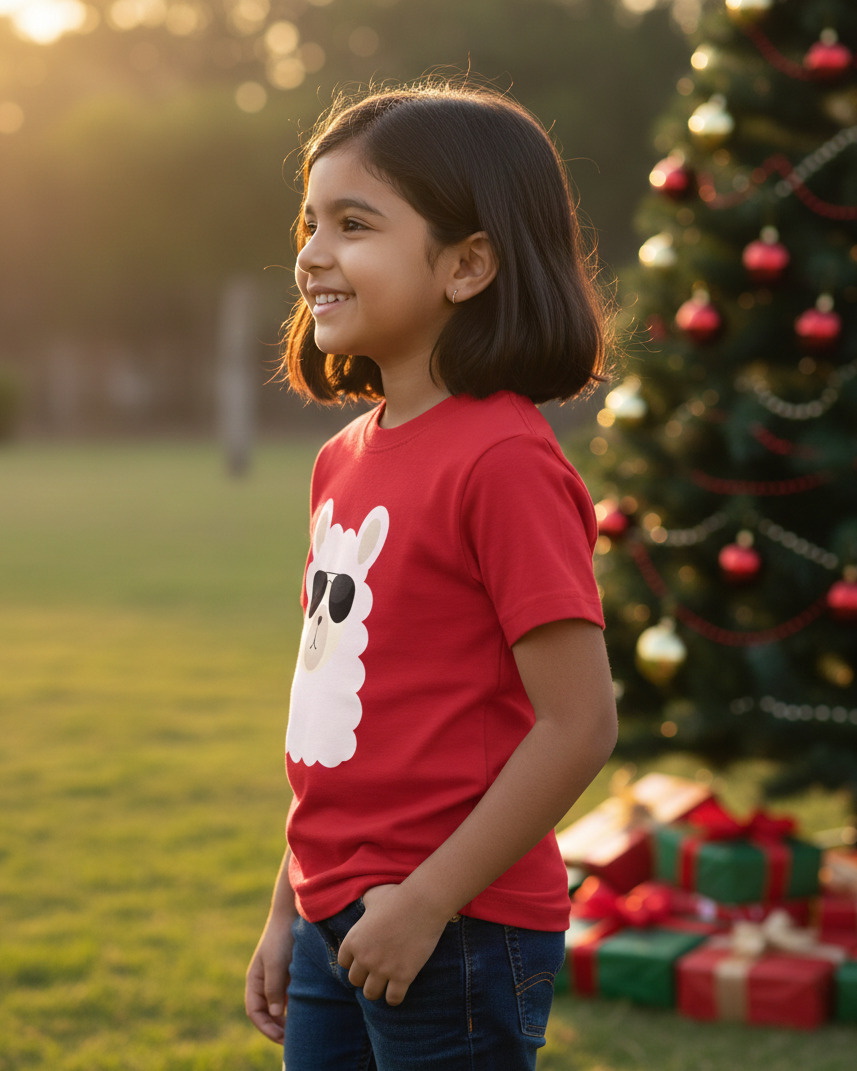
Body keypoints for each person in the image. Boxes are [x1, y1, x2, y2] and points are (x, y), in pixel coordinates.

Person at [245, 80, 619, 1071]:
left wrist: (423, 902)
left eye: (353, 224)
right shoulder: (342, 461)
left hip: (457, 932)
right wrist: (288, 906)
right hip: (335, 914)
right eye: (309, 221)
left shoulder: (502, 464)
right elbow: (331, 715)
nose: (311, 253)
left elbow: (578, 724)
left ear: (466, 265)